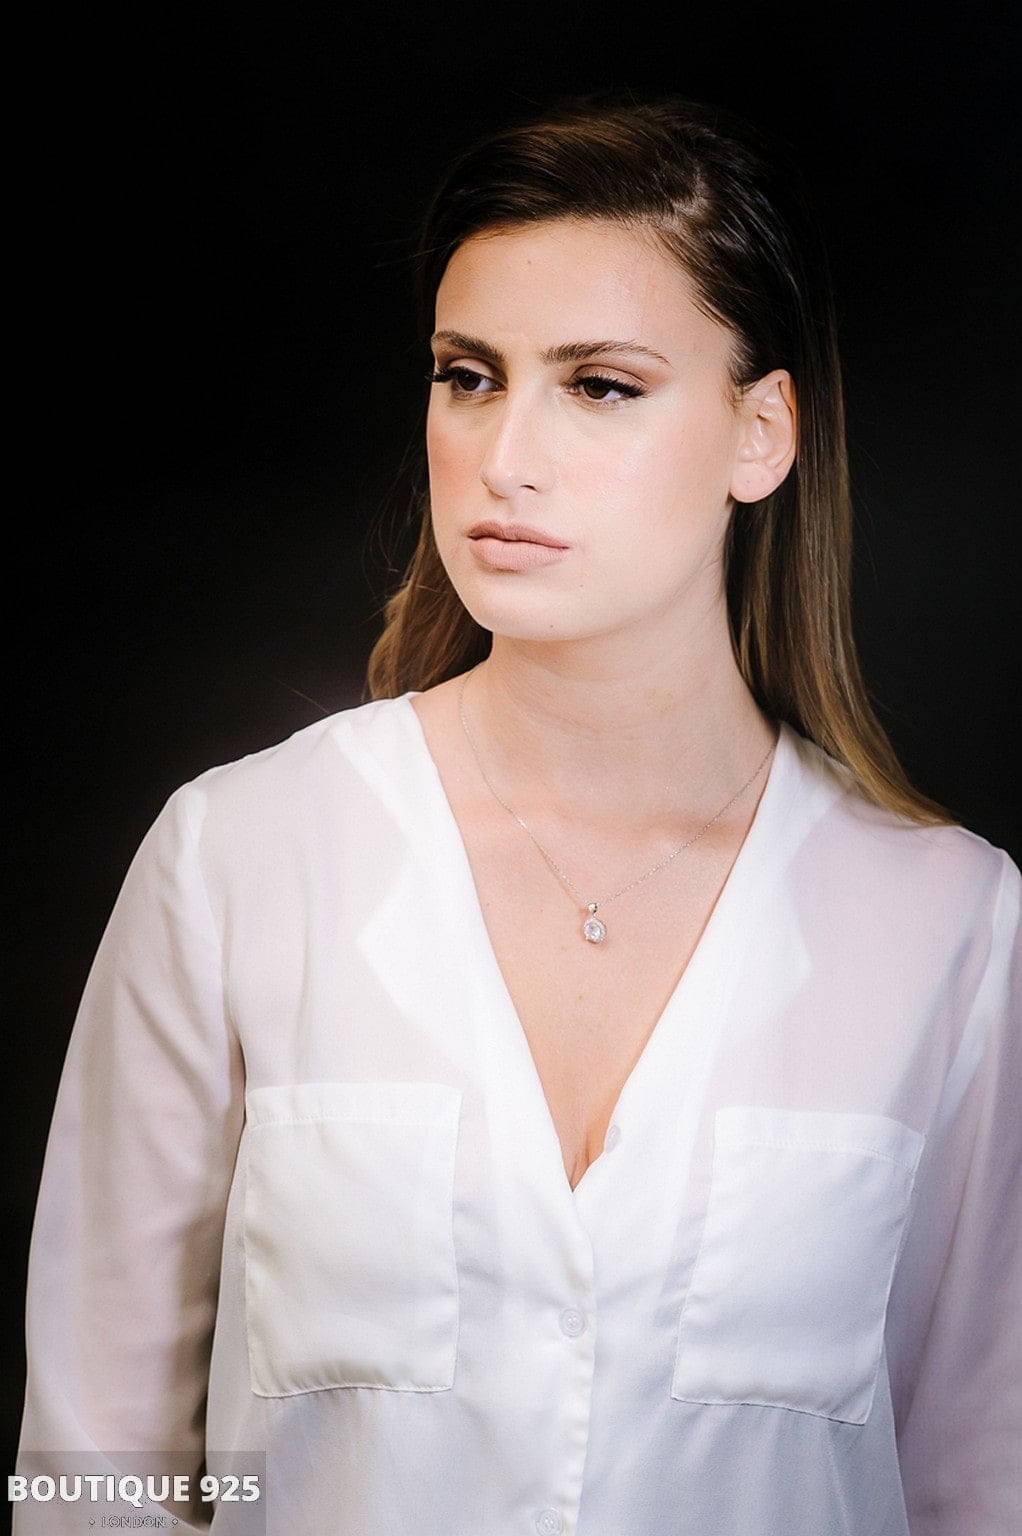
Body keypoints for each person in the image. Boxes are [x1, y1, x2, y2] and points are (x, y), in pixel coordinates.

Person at [15, 94, 1019, 1536]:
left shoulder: (947, 924)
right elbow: (91, 1471)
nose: (504, 456)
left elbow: (979, 1480)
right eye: (467, 376)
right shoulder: (241, 858)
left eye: (600, 386)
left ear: (760, 432)